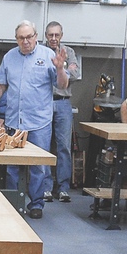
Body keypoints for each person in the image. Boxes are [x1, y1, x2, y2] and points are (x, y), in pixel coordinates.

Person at [0, 20, 68, 220]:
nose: (26, 41)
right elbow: (0, 85)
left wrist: (61, 69)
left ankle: (36, 204)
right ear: (16, 39)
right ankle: (13, 203)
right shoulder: (10, 57)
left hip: (39, 122)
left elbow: (62, 85)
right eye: (21, 38)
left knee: (38, 167)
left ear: (36, 37)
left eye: (29, 37)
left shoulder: (48, 56)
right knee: (12, 166)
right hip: (13, 121)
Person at [43, 21, 80, 202]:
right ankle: (46, 187)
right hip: (44, 103)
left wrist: (60, 69)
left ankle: (63, 188)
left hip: (63, 103)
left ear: (62, 35)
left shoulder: (69, 52)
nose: (54, 38)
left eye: (57, 35)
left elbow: (76, 74)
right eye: (50, 35)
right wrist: (64, 69)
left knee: (64, 146)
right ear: (45, 35)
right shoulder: (40, 52)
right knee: (44, 146)